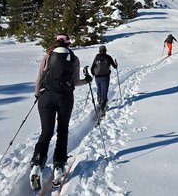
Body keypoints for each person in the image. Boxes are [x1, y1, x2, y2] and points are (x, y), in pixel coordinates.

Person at [30, 34, 92, 190]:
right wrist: (87, 80)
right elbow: (75, 82)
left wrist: (38, 94)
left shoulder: (48, 56)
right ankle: (59, 166)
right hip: (64, 98)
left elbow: (39, 78)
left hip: (46, 97)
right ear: (68, 44)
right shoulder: (73, 58)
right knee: (62, 131)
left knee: (46, 132)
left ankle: (37, 164)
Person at [90, 45, 117, 118]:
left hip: (97, 77)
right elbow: (114, 66)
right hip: (105, 76)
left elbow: (92, 68)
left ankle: (99, 100)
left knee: (99, 88)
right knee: (104, 91)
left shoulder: (96, 57)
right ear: (105, 50)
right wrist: (116, 64)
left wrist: (93, 73)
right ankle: (102, 107)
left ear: (99, 50)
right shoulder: (108, 57)